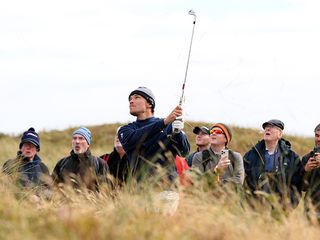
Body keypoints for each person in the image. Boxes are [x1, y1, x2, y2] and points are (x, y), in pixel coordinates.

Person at [118, 86, 190, 181]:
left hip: (168, 187)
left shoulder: (169, 126)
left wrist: (178, 132)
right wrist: (164, 122)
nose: (131, 101)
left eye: (136, 97)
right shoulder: (125, 130)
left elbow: (184, 152)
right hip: (140, 190)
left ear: (149, 103)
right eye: (130, 99)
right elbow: (134, 139)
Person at [243, 119, 303, 208]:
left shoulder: (292, 157)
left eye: (271, 127)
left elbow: (297, 185)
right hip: (254, 207)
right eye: (266, 127)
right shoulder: (251, 154)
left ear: (280, 134)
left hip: (280, 209)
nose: (267, 129)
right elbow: (244, 182)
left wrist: (288, 207)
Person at [52, 127, 107, 191]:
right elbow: (51, 187)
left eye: (81, 138)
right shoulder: (62, 163)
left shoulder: (99, 163)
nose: (77, 141)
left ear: (88, 143)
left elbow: (105, 191)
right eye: (74, 138)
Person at [301, 123, 320, 220]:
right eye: (317, 135)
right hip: (310, 210)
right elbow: (302, 187)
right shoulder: (307, 158)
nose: (318, 139)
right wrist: (306, 170)